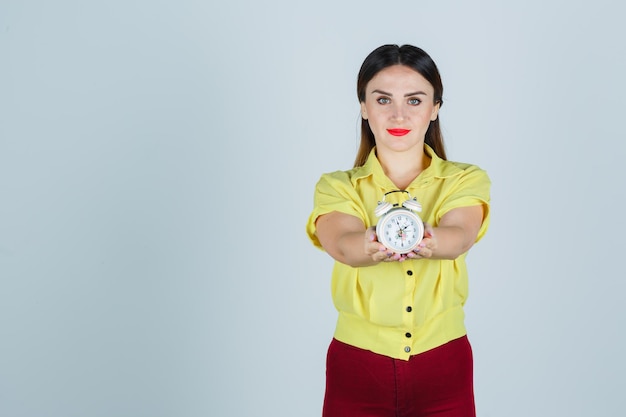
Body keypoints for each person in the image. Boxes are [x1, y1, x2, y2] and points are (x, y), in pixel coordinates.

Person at [306, 44, 491, 417]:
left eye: (415, 100)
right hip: (358, 364)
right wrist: (372, 242)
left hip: (444, 361)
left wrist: (425, 238)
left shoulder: (465, 179)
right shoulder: (337, 186)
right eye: (383, 99)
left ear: (435, 108)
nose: (398, 114)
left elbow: (460, 235)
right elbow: (342, 244)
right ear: (363, 106)